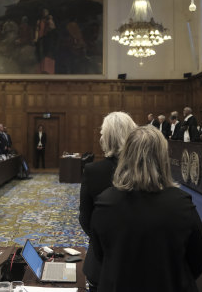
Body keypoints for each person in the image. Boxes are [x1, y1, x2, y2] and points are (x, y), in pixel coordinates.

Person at [91, 126, 202, 291]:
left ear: (125, 156)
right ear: (163, 159)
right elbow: (198, 261)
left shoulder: (105, 203)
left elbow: (100, 255)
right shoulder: (181, 204)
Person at [79, 112, 137, 291]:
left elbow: (86, 219)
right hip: (143, 261)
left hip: (102, 261)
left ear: (109, 138)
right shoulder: (146, 170)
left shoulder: (93, 171)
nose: (100, 138)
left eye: (102, 134)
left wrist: (104, 241)